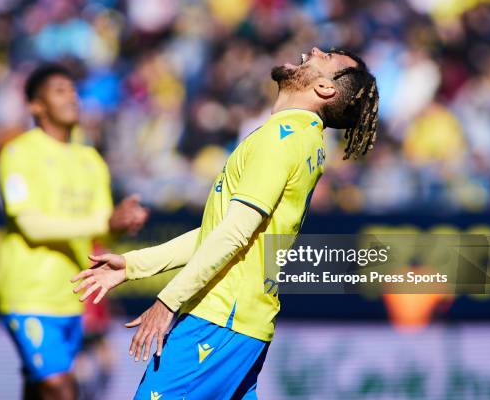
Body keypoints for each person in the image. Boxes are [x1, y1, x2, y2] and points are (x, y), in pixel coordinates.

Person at [72, 47, 379, 399]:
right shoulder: (298, 139)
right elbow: (219, 232)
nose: (314, 50)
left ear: (325, 90)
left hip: (218, 320)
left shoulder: (285, 139)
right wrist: (131, 265)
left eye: (325, 58)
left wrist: (168, 301)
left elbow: (232, 234)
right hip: (239, 322)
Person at [0, 63, 148, 400]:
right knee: (61, 388)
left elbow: (101, 236)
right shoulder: (19, 153)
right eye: (60, 91)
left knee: (39, 389)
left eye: (74, 91)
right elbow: (30, 225)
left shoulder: (90, 160)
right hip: (30, 296)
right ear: (36, 105)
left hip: (73, 300)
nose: (72, 98)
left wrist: (123, 226)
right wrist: (105, 222)